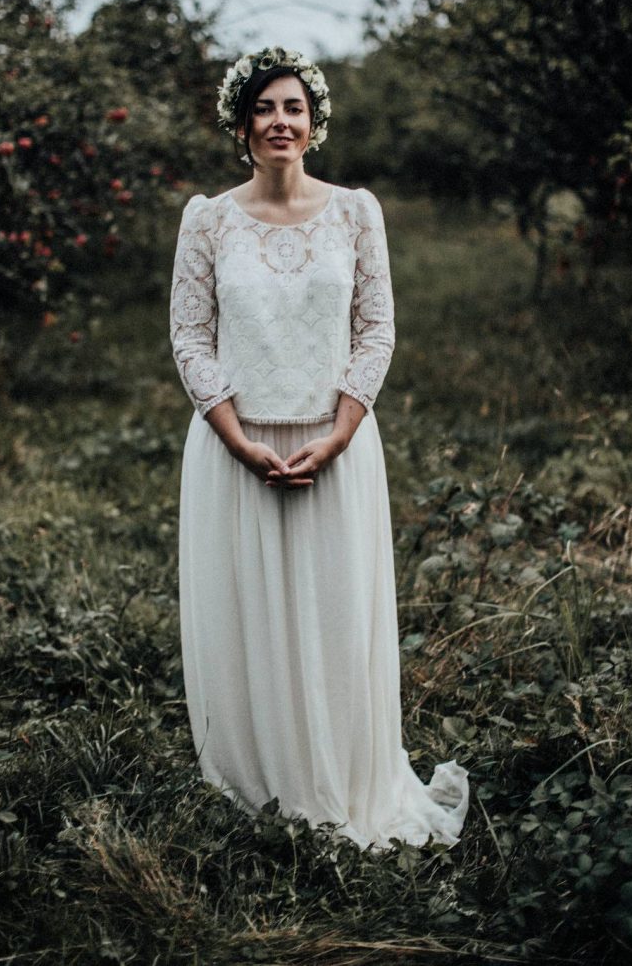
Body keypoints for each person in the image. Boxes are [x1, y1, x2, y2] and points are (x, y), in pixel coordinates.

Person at [169, 47, 468, 850]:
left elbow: (376, 328)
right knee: (253, 615)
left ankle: (345, 776)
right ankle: (262, 784)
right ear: (241, 123)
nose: (279, 122)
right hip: (237, 448)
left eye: (293, 108)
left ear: (314, 121)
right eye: (264, 108)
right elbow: (191, 337)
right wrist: (235, 438)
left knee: (335, 614)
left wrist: (340, 430)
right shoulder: (209, 219)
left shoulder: (355, 212)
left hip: (337, 444)